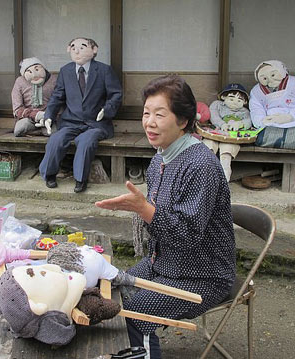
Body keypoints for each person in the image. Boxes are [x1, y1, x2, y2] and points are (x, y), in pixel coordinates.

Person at [95, 75, 236, 358]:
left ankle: (143, 350)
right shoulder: (160, 157)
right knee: (110, 288)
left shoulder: (200, 165)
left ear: (183, 121)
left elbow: (186, 236)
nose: (149, 122)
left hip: (204, 275)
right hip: (165, 263)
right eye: (146, 113)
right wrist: (143, 208)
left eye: (160, 114)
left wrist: (144, 209)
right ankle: (134, 350)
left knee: (136, 310)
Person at [39, 37, 122, 193]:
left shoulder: (104, 70)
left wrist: (106, 109)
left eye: (82, 47)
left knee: (85, 141)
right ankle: (49, 174)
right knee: (56, 140)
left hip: (96, 123)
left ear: (94, 50)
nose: (77, 50)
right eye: (73, 47)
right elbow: (57, 96)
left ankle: (80, 179)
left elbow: (116, 94)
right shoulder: (65, 71)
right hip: (71, 121)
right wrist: (49, 115)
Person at [250, 60, 295, 149]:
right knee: (263, 138)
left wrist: (290, 117)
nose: (270, 79)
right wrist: (262, 121)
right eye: (264, 78)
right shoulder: (256, 91)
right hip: (271, 125)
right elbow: (256, 109)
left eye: (273, 75)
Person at [11, 57, 57, 136]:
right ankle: (36, 131)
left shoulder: (53, 80)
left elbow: (59, 101)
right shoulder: (20, 81)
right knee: (20, 129)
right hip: (28, 118)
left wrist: (48, 115)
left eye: (37, 69)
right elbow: (17, 108)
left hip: (48, 117)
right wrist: (35, 115)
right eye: (29, 71)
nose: (35, 75)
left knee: (52, 132)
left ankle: (37, 131)